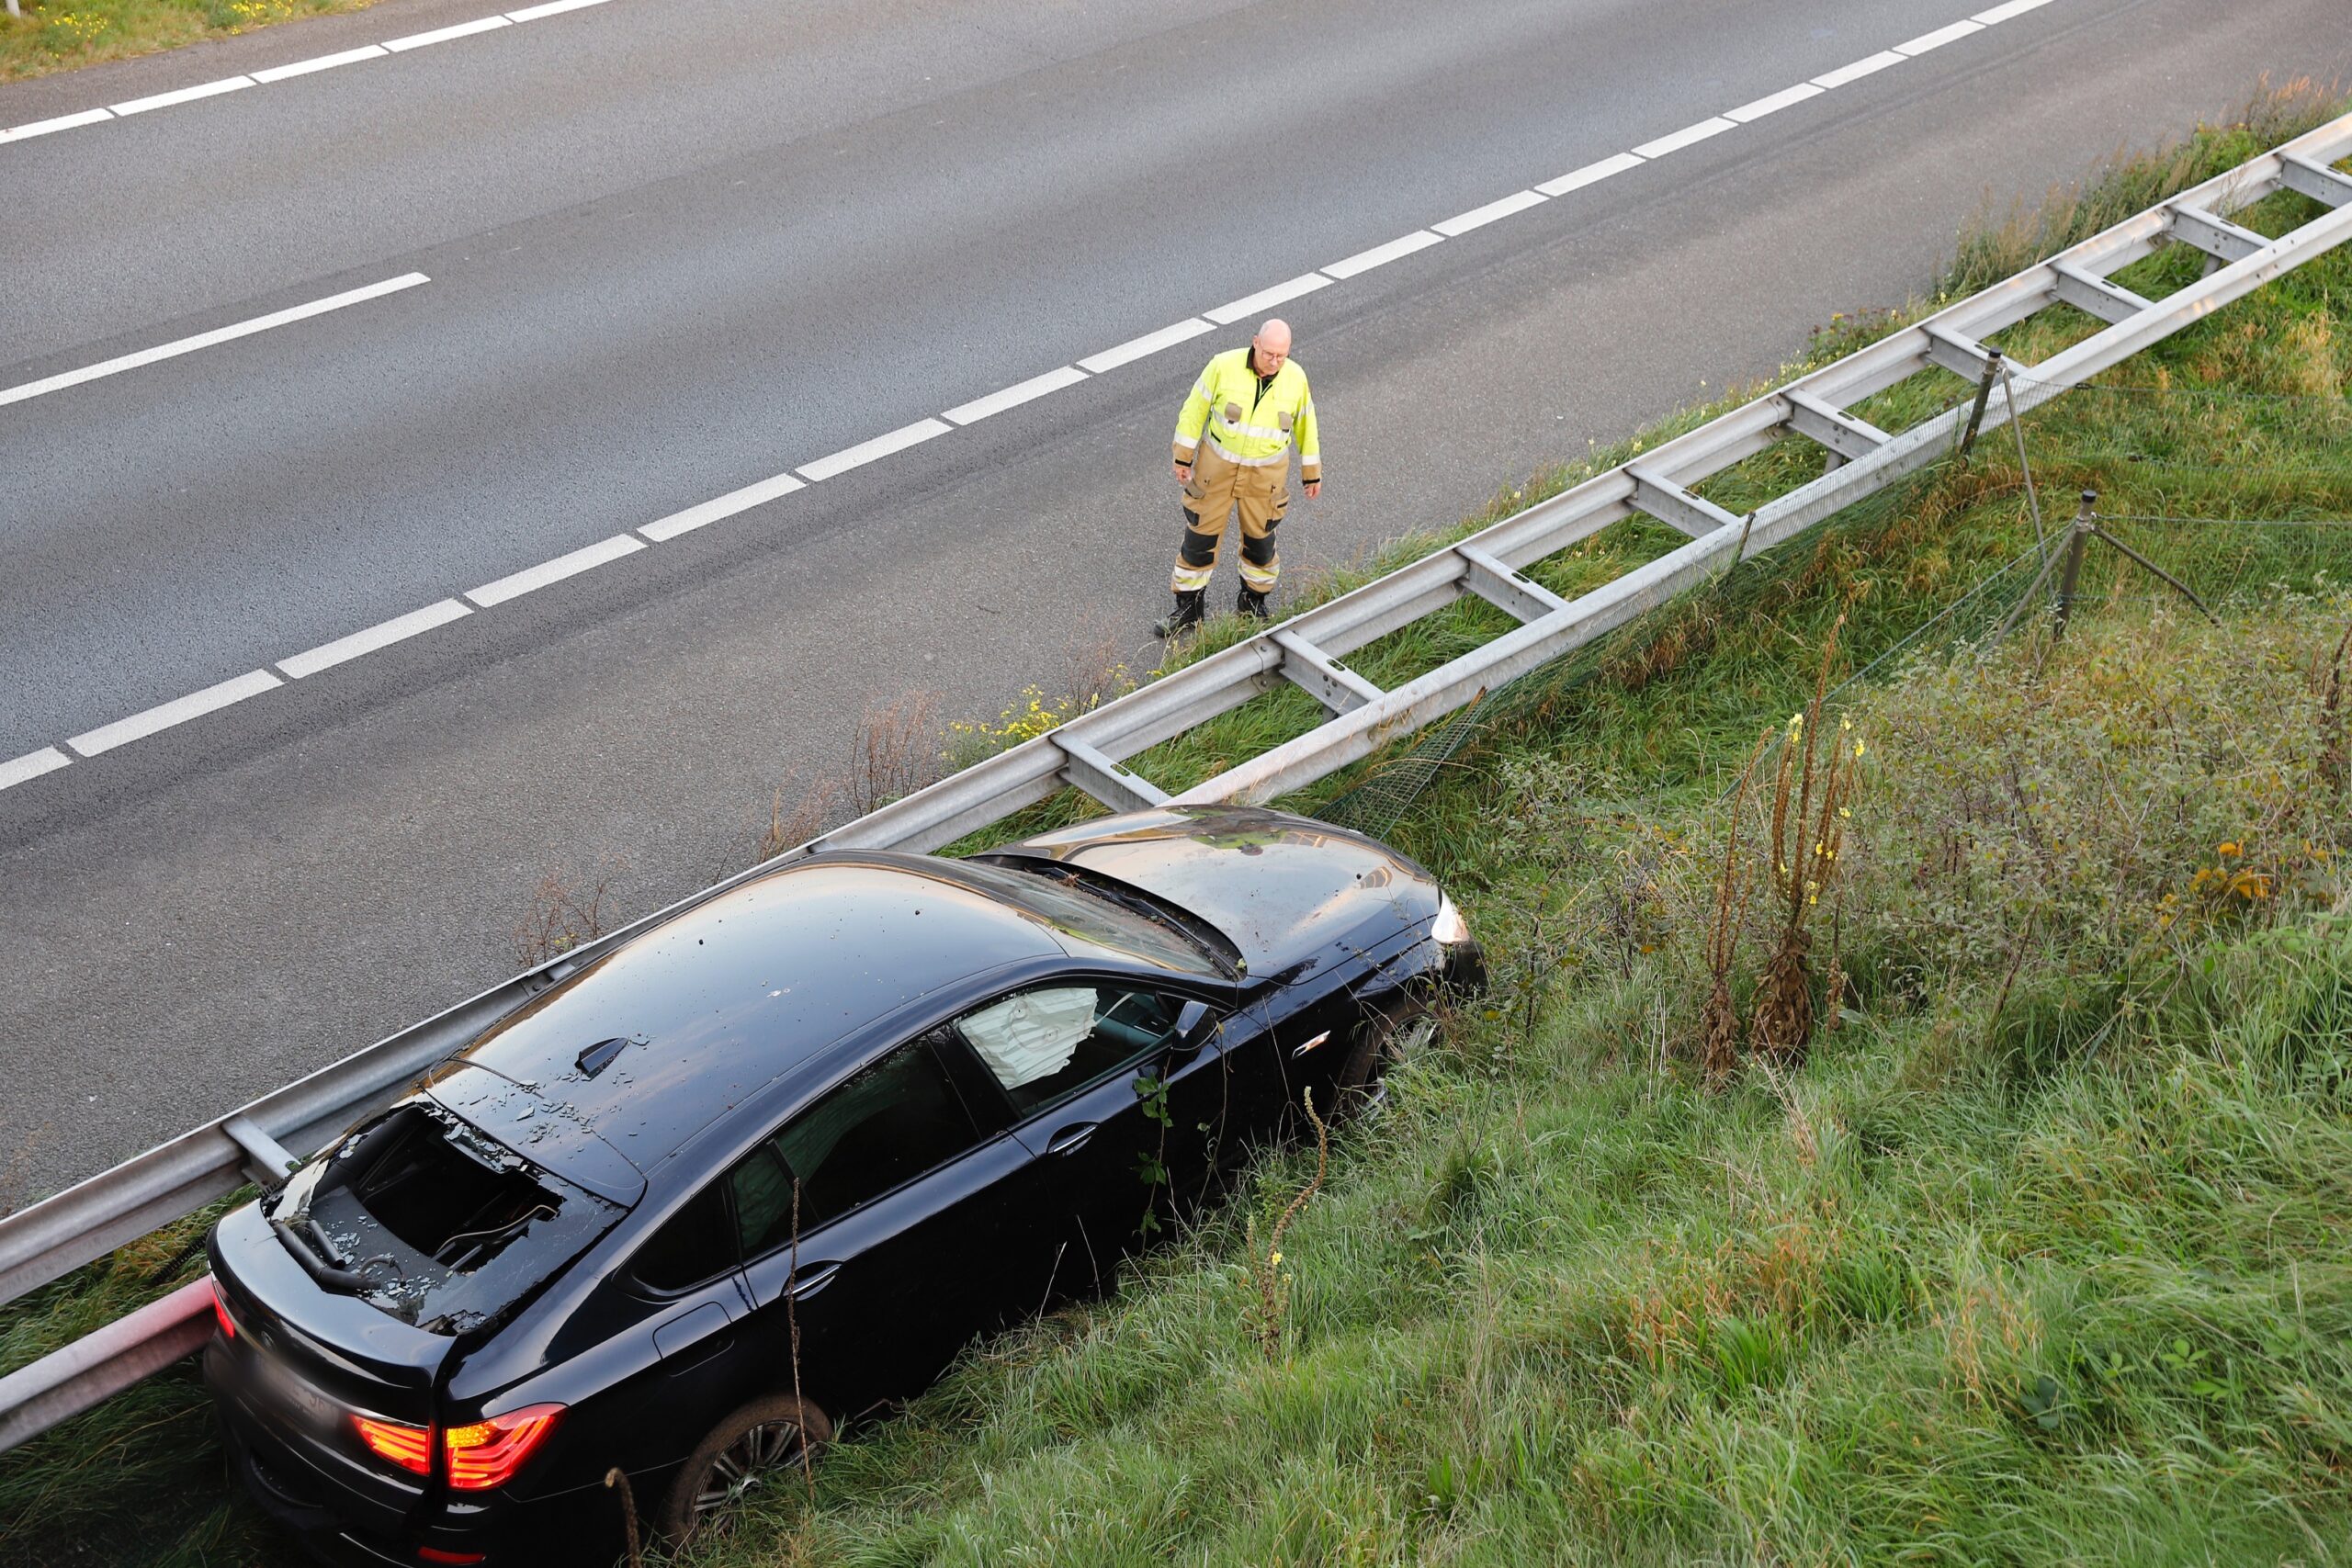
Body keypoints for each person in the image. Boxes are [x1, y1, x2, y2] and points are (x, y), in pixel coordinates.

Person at [1156, 318, 1322, 637]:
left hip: (1265, 478)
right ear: (1255, 342)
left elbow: (1307, 426)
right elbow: (1194, 411)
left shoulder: (1295, 379)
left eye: (1282, 356)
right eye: (1270, 353)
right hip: (1215, 471)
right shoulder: (1223, 366)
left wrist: (1311, 474)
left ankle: (1253, 606)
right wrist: (1182, 456)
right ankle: (1189, 610)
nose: (1275, 362)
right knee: (1200, 539)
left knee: (1260, 544)